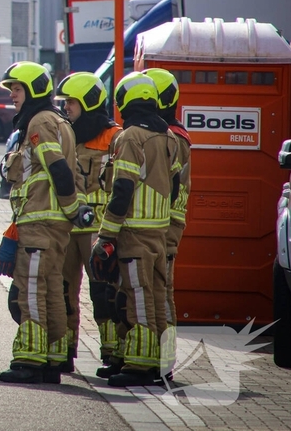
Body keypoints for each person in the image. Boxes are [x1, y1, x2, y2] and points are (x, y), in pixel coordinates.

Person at [0, 61, 91, 384]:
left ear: (34, 90)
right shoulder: (60, 121)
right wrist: (72, 212)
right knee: (52, 292)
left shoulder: (39, 122)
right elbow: (72, 173)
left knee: (31, 291)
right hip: (55, 227)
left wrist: (68, 207)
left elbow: (59, 172)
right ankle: (52, 358)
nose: (12, 96)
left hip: (39, 224)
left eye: (17, 89)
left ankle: (30, 359)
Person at [92, 72, 181, 387]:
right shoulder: (168, 136)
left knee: (137, 298)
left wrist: (106, 235)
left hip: (134, 233)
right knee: (157, 299)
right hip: (159, 232)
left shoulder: (131, 136)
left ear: (124, 102)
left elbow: (122, 190)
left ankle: (140, 366)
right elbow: (174, 186)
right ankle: (159, 363)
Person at [55, 72, 121, 371]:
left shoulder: (115, 136)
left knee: (104, 292)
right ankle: (64, 349)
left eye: (71, 102)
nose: (66, 108)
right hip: (68, 227)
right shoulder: (63, 133)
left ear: (88, 102)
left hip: (99, 230)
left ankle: (112, 351)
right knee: (63, 289)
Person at [144, 67, 191, 378]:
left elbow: (174, 189)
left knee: (162, 294)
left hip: (166, 228)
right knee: (151, 293)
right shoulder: (168, 134)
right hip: (160, 226)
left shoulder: (174, 138)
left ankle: (165, 363)